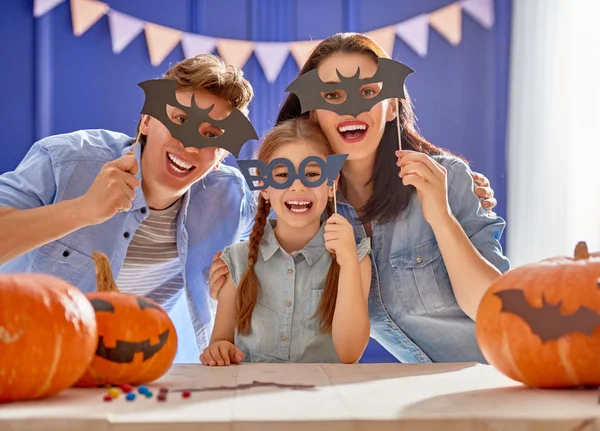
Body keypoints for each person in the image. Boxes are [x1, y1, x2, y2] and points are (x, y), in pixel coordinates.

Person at [208, 33, 511, 364]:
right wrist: (228, 283)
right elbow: (265, 274)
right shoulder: (308, 207)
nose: (352, 108)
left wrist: (441, 216)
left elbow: (492, 310)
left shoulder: (443, 181)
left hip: (503, 372)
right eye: (332, 95)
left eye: (368, 92)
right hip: (427, 393)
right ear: (312, 113)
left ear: (392, 107)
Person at [0, 54, 256, 363]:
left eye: (211, 135)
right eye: (179, 120)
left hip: (135, 366)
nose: (190, 146)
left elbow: (281, 250)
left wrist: (233, 284)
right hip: (30, 355)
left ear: (220, 157)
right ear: (147, 120)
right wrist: (82, 210)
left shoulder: (231, 199)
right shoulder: (66, 161)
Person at [200, 118, 372, 366]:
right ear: (264, 188)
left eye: (312, 174)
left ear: (331, 183)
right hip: (251, 395)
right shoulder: (236, 260)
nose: (298, 186)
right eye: (282, 175)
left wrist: (348, 265)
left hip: (323, 397)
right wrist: (219, 350)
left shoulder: (355, 257)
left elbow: (350, 353)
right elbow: (219, 341)